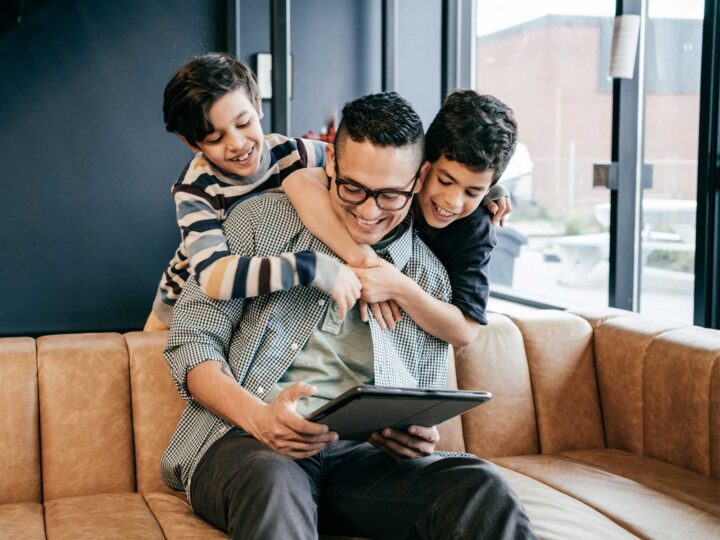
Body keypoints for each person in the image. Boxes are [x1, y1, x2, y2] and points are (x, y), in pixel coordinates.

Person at [162, 91, 536, 539]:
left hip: (359, 462)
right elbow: (190, 341)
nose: (368, 211)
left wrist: (414, 438)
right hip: (245, 444)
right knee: (274, 480)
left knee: (480, 486)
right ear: (331, 168)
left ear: (418, 180)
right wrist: (259, 418)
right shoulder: (260, 223)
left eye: (390, 195)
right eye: (353, 188)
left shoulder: (429, 282)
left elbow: (424, 393)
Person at [283, 90, 518, 349]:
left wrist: (398, 288)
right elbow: (299, 180)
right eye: (444, 181)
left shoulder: (475, 229)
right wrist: (365, 260)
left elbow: (466, 330)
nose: (453, 201)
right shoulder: (387, 169)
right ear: (423, 165)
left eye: (472, 191)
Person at [144, 52, 361, 331]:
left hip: (257, 308)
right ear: (192, 143)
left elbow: (352, 168)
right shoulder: (196, 188)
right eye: (215, 138)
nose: (236, 143)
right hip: (183, 307)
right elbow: (213, 278)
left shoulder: (295, 154)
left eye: (243, 123)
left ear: (258, 104)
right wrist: (311, 266)